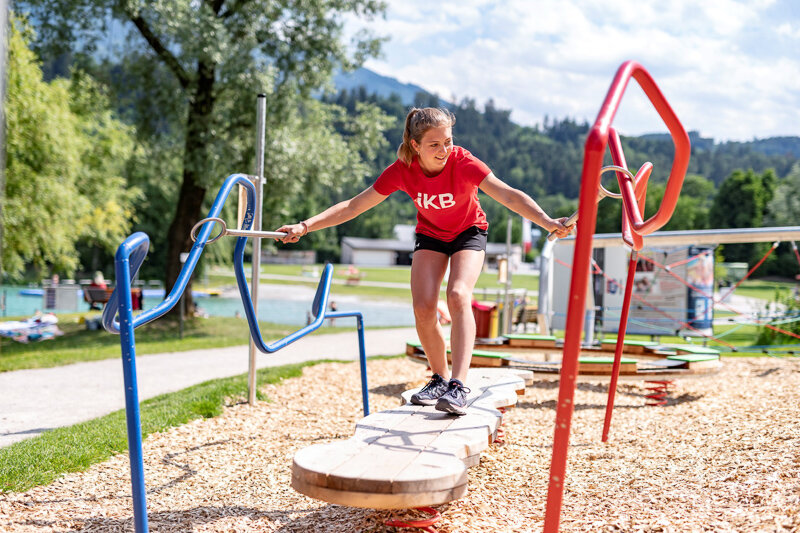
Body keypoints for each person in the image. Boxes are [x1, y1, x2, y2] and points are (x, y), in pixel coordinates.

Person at [276, 107, 571, 415]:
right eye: (434, 145)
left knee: (458, 294)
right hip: (431, 235)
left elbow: (508, 195)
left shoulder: (464, 163)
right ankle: (440, 378)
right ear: (416, 146)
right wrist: (305, 226)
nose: (444, 150)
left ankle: (458, 385)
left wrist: (546, 220)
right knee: (423, 307)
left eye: (448, 141)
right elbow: (353, 206)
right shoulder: (403, 170)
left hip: (469, 232)